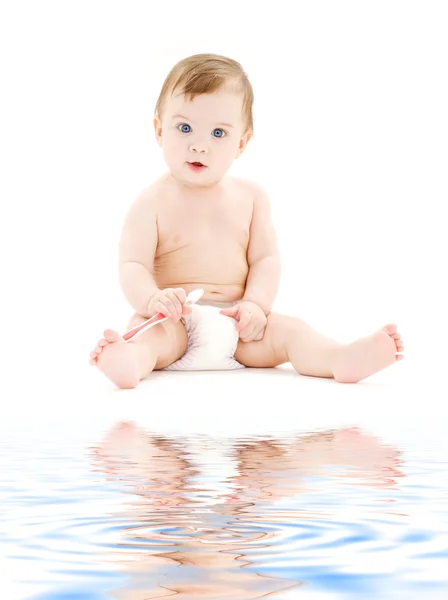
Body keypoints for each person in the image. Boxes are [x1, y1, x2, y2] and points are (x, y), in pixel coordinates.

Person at [89, 53, 404, 389]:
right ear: (158, 129)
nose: (199, 146)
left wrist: (255, 305)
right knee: (150, 337)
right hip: (176, 320)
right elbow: (132, 265)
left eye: (218, 134)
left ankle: (338, 358)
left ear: (241, 142)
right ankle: (129, 362)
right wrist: (153, 300)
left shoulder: (251, 198)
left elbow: (265, 259)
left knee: (290, 331)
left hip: (239, 325)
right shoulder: (151, 202)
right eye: (184, 128)